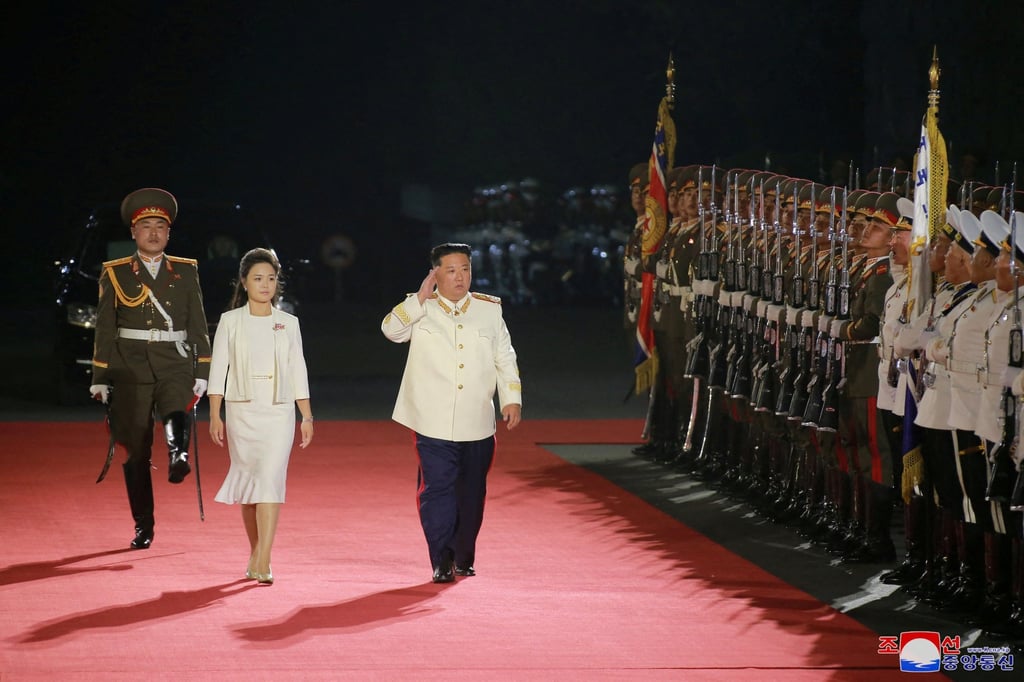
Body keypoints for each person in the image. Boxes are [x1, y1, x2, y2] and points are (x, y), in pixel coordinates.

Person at [381, 242, 523, 583]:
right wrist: (418, 298)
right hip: (431, 419)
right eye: (451, 270)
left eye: (465, 269)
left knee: (471, 493)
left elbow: (505, 356)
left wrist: (511, 397)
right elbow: (390, 330)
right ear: (436, 274)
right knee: (437, 488)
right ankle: (441, 557)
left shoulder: (489, 310)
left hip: (476, 418)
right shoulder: (420, 308)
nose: (460, 277)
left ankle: (463, 556)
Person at [90, 187, 211, 550]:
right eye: (146, 227)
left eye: (161, 226)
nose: (154, 233)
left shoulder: (186, 271)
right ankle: (144, 525)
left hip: (174, 358)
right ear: (133, 232)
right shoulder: (115, 273)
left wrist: (202, 369)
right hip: (131, 365)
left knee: (177, 404)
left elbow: (198, 323)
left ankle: (179, 455)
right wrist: (100, 376)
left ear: (169, 232)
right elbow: (105, 326)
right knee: (137, 448)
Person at [207, 248, 313, 586]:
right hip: (241, 410)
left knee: (270, 479)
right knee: (251, 484)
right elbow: (218, 367)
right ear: (244, 282)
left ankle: (264, 559)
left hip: (279, 410)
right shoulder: (230, 321)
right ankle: (256, 552)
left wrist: (306, 415)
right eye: (257, 278)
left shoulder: (289, 323)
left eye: (270, 278)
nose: (265, 284)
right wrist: (214, 413)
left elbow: (299, 368)